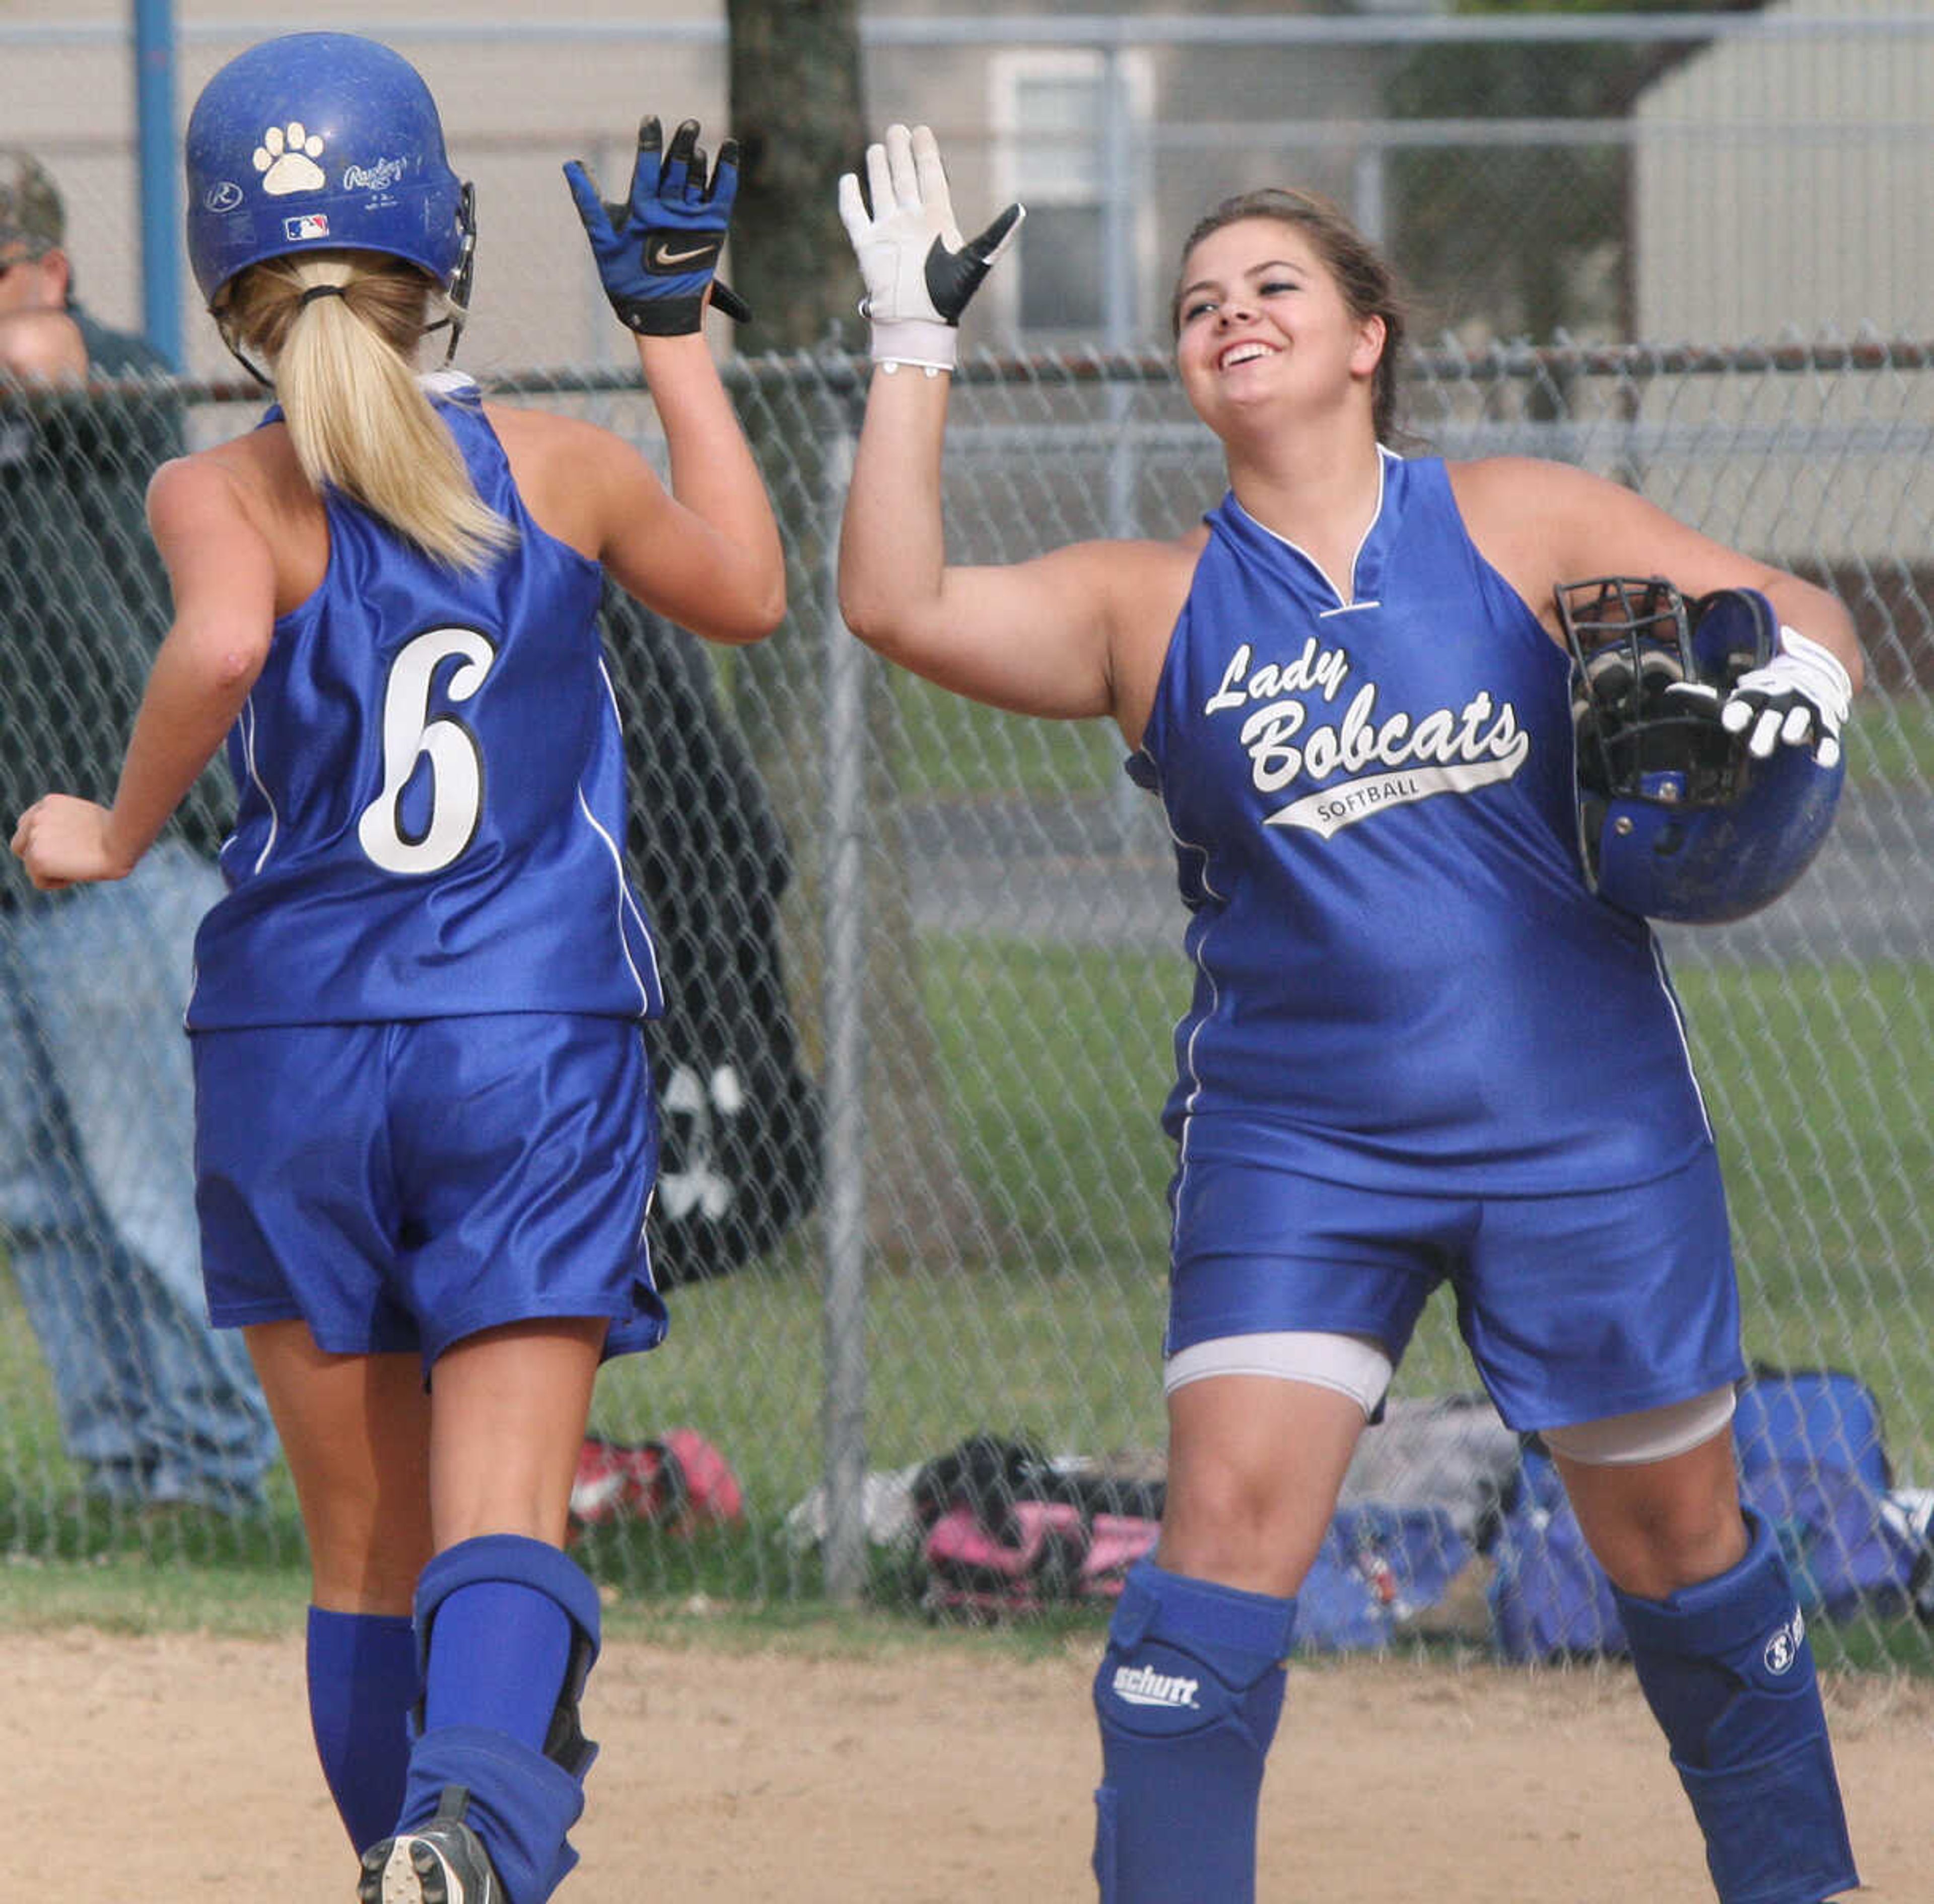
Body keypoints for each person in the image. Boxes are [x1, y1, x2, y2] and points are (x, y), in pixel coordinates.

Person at [834, 124, 1862, 1904]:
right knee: (1220, 1539)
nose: (1231, 317)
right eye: (1197, 306)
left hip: (1579, 1118)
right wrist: (913, 354)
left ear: (1367, 333)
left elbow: (1810, 613)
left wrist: (1788, 699)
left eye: (1274, 288)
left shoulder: (1517, 518)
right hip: (1297, 1137)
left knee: (1680, 1544)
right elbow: (896, 601)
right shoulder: (1144, 605)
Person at [11, 33, 784, 1904]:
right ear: (443, 248)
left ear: (222, 283)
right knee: (500, 1514)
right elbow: (755, 590)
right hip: (525, 1029)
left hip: (293, 1042)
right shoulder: (569, 466)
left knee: (363, 1547)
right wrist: (671, 330)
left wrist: (107, 834)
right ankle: (479, 1846)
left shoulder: (215, 491)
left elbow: (208, 657)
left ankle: (412, 1862)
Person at [0, 146, 278, 1519]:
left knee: (151, 1192)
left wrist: (44, 359)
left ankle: (216, 1479)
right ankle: (123, 1476)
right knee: (41, 1199)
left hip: (115, 865)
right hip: (9, 886)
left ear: (43, 274)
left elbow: (90, 393)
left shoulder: (111, 384)